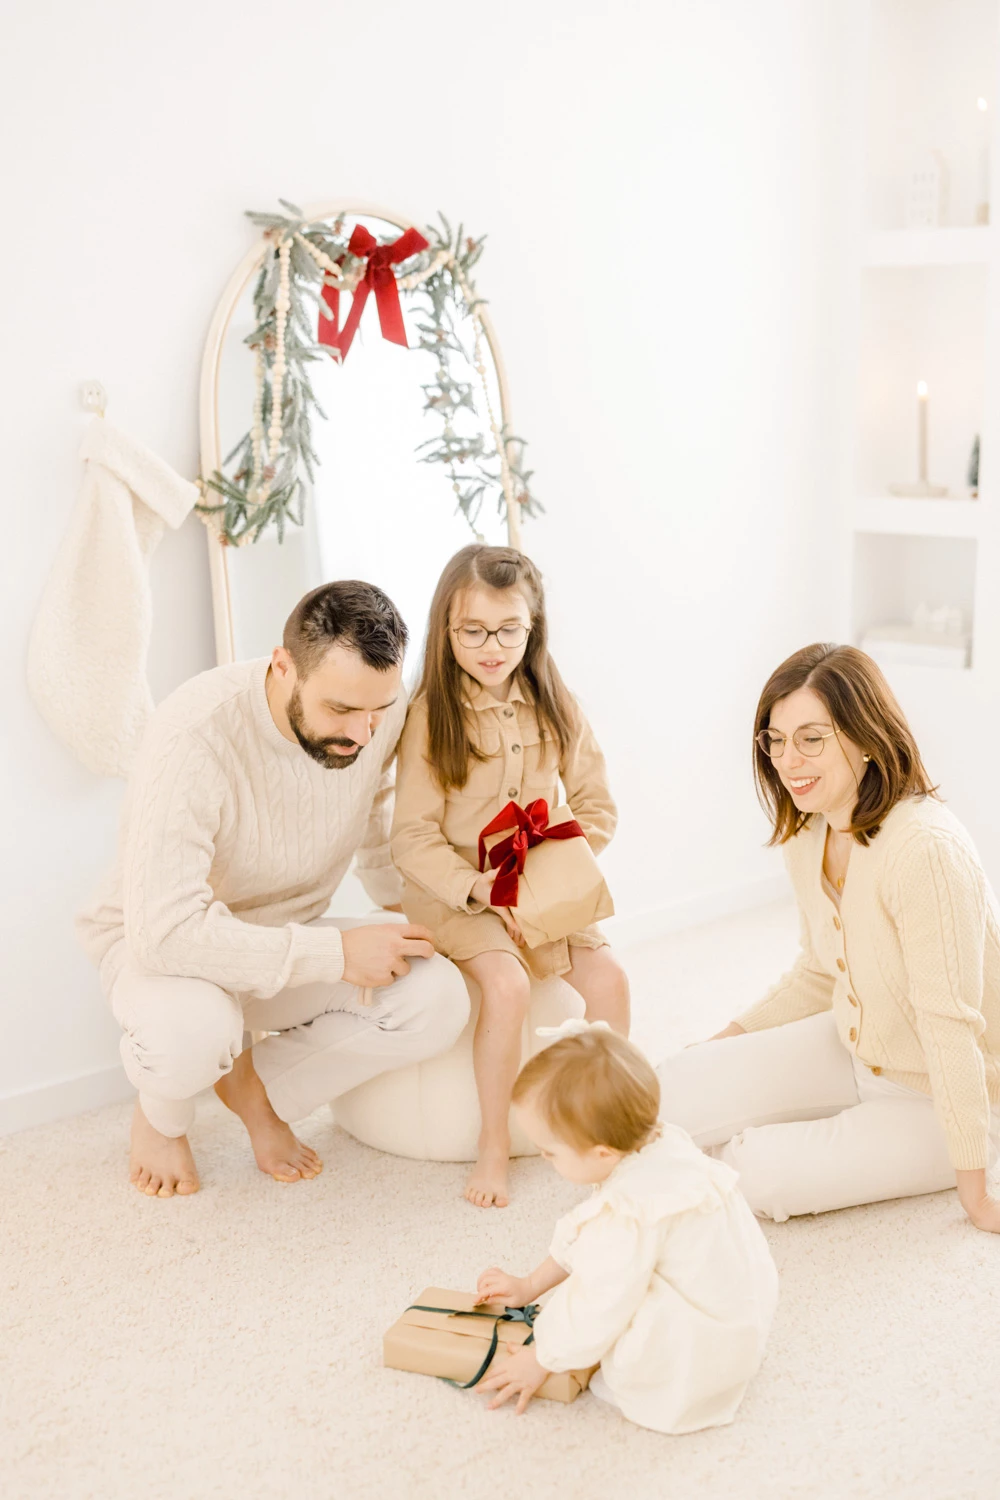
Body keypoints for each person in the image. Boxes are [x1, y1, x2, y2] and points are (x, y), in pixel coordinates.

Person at [77, 581, 469, 1199]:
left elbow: (374, 805)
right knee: (193, 1033)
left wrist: (401, 913)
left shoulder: (374, 710)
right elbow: (164, 933)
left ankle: (257, 1087)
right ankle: (161, 1114)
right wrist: (336, 955)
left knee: (436, 995)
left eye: (378, 710)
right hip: (166, 948)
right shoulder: (194, 734)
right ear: (283, 665)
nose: (363, 734)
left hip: (283, 937)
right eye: (340, 710)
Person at [657, 642, 1000, 1230]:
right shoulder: (809, 830)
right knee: (669, 1090)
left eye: (811, 739)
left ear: (866, 738)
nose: (788, 760)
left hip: (944, 1096)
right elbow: (819, 971)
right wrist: (723, 1042)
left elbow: (950, 1027)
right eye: (776, 740)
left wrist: (978, 1197)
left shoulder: (925, 850)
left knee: (758, 1172)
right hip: (855, 1047)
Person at [390, 545, 628, 1208]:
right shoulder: (430, 717)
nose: (491, 647)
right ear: (446, 629)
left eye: (508, 630)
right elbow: (411, 838)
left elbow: (598, 806)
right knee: (508, 984)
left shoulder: (557, 703)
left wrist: (548, 876)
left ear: (533, 626)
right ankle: (493, 1142)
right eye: (472, 631)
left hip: (543, 888)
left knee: (611, 980)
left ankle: (608, 1127)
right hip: (459, 895)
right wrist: (485, 891)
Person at [473, 1020, 779, 1431]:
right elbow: (585, 1236)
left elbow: (598, 1300)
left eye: (550, 1152)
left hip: (695, 1362)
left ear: (602, 1153)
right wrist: (530, 1285)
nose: (545, 1160)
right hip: (739, 1320)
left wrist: (542, 1357)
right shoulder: (664, 1143)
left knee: (613, 1307)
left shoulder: (628, 1215)